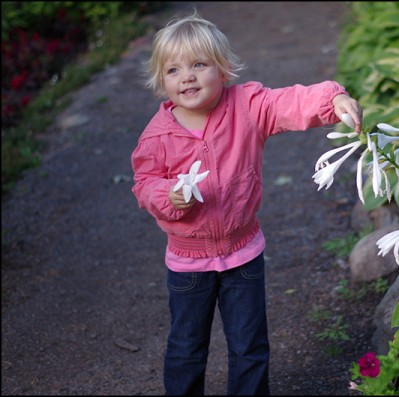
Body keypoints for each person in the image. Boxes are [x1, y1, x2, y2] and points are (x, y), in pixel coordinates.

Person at [130, 10, 363, 396]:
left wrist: (332, 98)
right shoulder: (157, 137)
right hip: (188, 262)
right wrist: (166, 197)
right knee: (186, 348)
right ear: (161, 81)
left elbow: (288, 102)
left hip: (243, 254)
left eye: (199, 64)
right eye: (173, 70)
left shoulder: (247, 107)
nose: (186, 76)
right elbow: (144, 184)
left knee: (250, 347)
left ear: (222, 70)